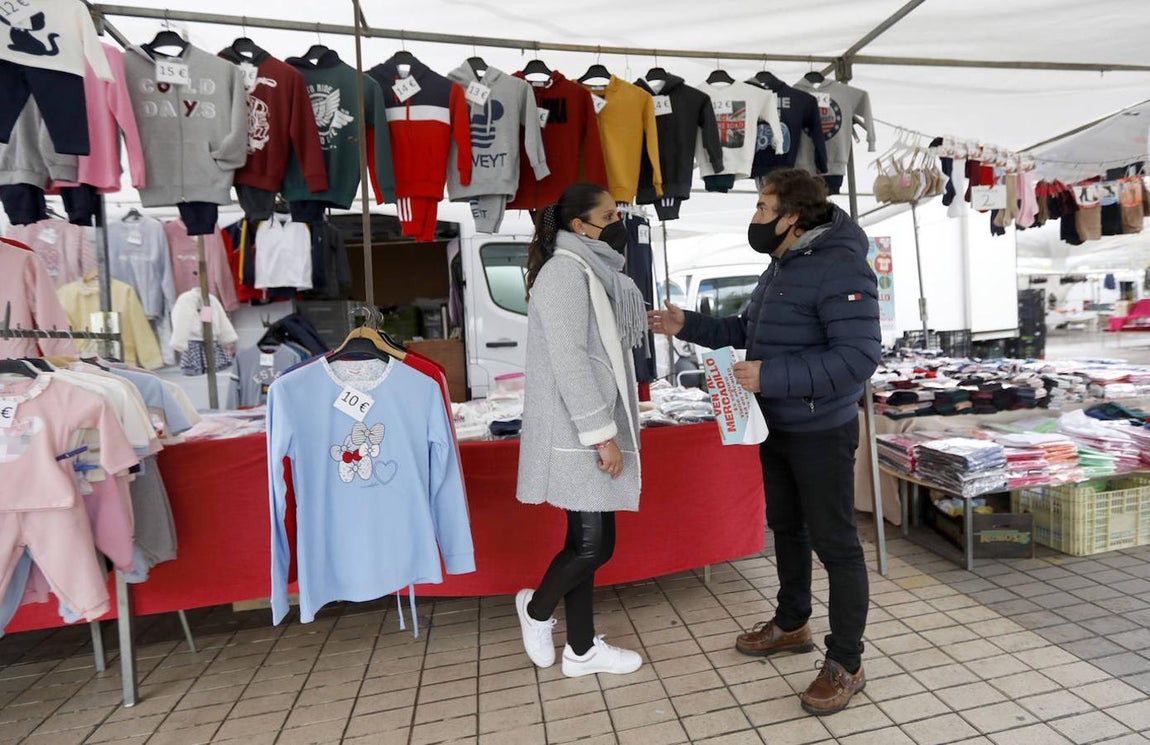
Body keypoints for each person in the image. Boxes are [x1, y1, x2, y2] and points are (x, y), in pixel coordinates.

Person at [648, 168, 881, 715]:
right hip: (774, 425)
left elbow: (858, 359)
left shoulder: (842, 266)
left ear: (792, 218)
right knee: (787, 529)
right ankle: (792, 622)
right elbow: (746, 332)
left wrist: (771, 376)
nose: (753, 217)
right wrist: (688, 323)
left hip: (821, 430)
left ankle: (846, 661)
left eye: (760, 207)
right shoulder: (782, 264)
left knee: (838, 546)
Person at [514, 182, 648, 678]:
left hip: (584, 429)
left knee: (586, 544)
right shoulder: (565, 274)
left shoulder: (587, 270)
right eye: (611, 215)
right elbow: (572, 362)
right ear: (579, 226)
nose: (620, 223)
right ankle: (535, 609)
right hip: (579, 432)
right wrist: (602, 434)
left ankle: (582, 649)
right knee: (594, 546)